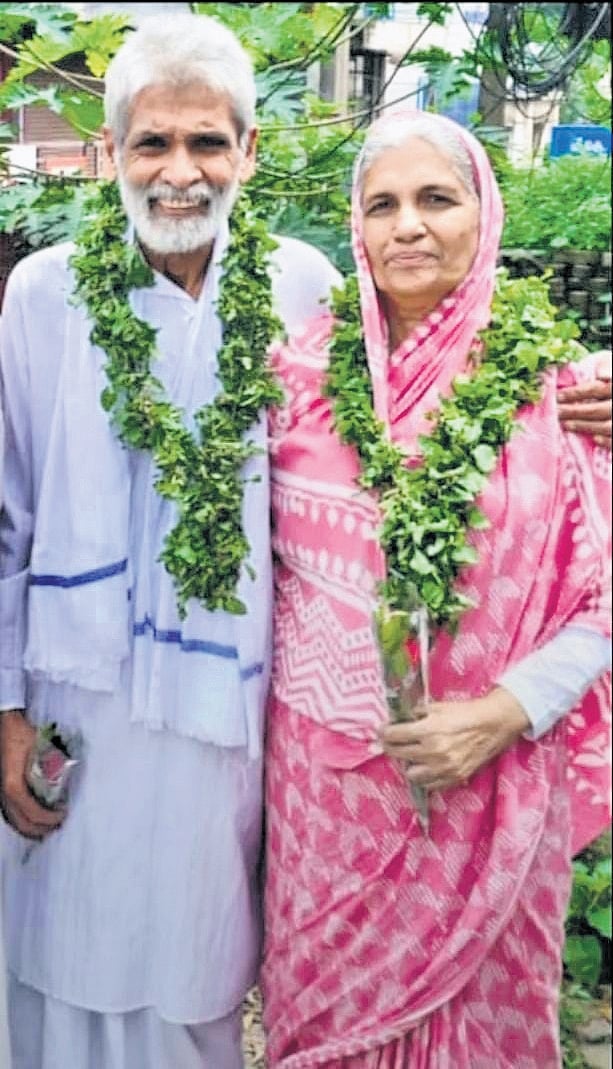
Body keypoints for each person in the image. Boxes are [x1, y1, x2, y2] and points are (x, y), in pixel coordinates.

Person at [0, 13, 340, 1069]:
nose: (179, 171)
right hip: (78, 688)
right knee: (60, 943)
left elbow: (402, 429)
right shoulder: (43, 293)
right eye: (152, 142)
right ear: (109, 155)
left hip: (224, 708)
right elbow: (10, 516)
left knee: (197, 958)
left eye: (206, 141)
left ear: (248, 150)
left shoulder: (301, 289)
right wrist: (7, 712)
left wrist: (570, 396)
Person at [261, 110, 611, 1068]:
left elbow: (602, 597)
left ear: (482, 214)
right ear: (356, 227)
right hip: (322, 803)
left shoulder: (559, 387)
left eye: (435, 199)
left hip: (490, 782)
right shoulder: (292, 374)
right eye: (381, 205)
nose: (406, 226)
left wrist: (503, 713)